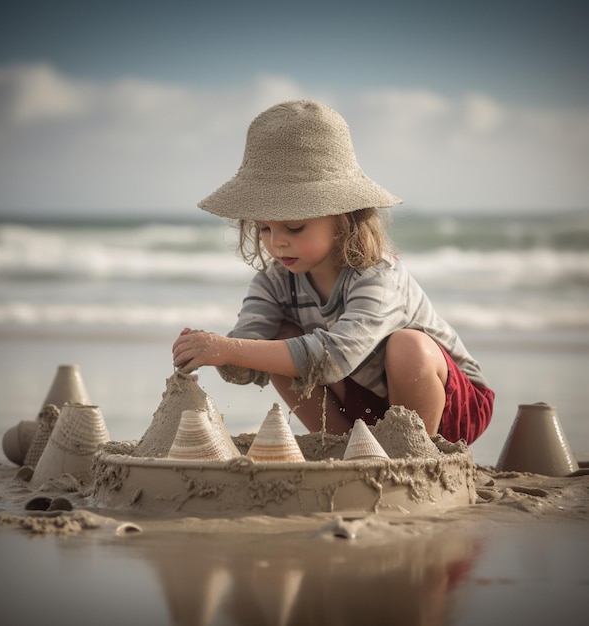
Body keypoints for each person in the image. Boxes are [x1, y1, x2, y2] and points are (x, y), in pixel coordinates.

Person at [172, 100, 494, 444]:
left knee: (407, 346)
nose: (276, 242)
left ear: (344, 219)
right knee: (277, 339)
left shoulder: (379, 277)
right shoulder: (273, 283)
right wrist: (211, 352)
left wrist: (228, 349)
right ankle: (342, 450)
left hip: (449, 404)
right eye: (264, 228)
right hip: (362, 402)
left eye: (294, 227)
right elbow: (248, 352)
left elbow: (335, 357)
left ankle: (415, 453)